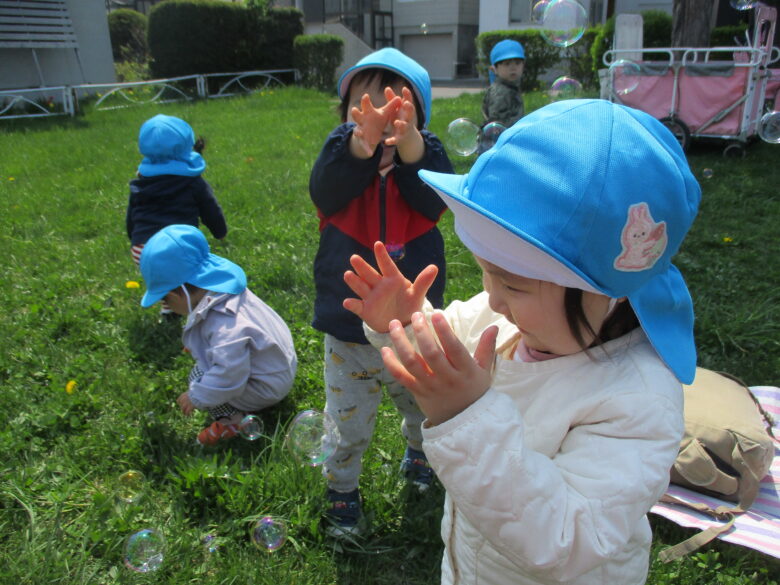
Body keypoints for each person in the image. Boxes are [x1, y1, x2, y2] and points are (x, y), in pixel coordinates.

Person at [343, 99, 701, 584]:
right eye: (486, 272)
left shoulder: (636, 400)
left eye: (513, 283)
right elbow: (448, 340)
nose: (492, 295)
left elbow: (565, 541)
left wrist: (465, 418)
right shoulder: (508, 317)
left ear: (601, 291)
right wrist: (405, 322)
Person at [309, 47, 454, 536]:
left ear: (417, 118)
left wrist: (412, 145)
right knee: (347, 423)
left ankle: (419, 456)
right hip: (348, 328)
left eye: (394, 107)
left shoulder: (426, 159)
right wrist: (357, 146)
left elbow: (435, 196)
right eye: (361, 109)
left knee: (421, 405)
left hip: (411, 326)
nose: (377, 117)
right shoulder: (340, 157)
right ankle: (342, 490)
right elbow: (324, 191)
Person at [139, 224, 297, 446]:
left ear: (179, 293)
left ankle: (231, 420)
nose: (165, 306)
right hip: (278, 365)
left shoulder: (225, 325)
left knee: (198, 376)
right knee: (206, 368)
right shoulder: (223, 290)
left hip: (266, 386)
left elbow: (228, 375)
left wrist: (197, 397)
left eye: (165, 300)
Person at [126, 114, 227, 314]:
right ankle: (198, 310)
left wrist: (135, 241)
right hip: (179, 247)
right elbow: (210, 210)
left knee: (167, 277)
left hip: (142, 249)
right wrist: (220, 232)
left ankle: (168, 307)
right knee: (192, 276)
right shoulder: (192, 182)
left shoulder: (141, 182)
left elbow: (131, 218)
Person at [482, 39, 526, 128]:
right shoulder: (499, 93)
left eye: (517, 63)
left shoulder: (510, 87)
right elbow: (497, 122)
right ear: (495, 69)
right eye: (507, 64)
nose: (513, 68)